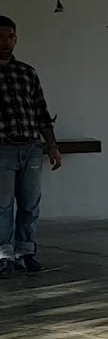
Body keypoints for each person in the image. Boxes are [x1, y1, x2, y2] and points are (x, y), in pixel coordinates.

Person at [0, 15, 61, 279]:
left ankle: (26, 253)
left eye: (11, 36)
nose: (6, 42)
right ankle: (4, 256)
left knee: (30, 204)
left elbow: (41, 111)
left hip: (31, 148)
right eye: (1, 36)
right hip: (2, 149)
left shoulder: (27, 72)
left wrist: (52, 145)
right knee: (2, 206)